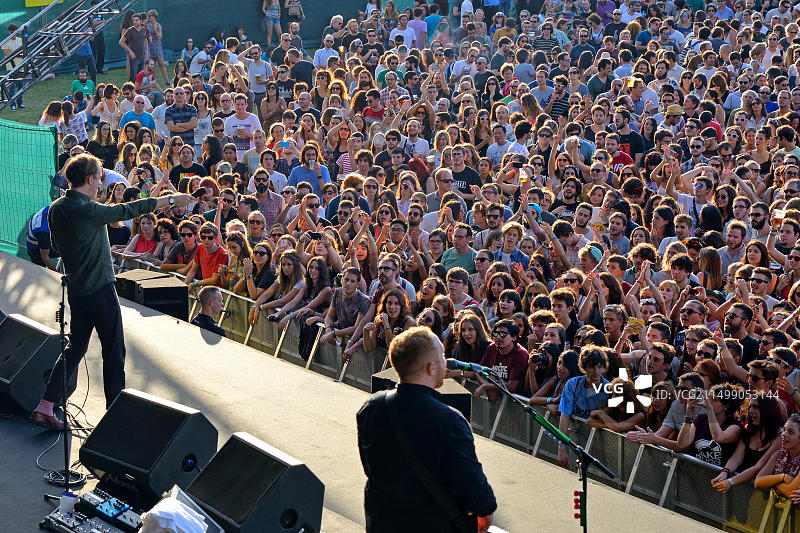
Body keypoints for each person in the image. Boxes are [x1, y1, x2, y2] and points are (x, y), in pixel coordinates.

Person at [30, 154, 191, 429]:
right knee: (114, 351)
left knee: (75, 347)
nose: (102, 180)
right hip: (100, 290)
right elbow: (129, 210)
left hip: (77, 290)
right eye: (99, 176)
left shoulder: (56, 208)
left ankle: (46, 405)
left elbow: (56, 245)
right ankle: (116, 418)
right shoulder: (89, 211)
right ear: (91, 179)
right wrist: (173, 200)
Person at [357, 326, 496, 532]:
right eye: (441, 355)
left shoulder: (371, 407)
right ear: (431, 368)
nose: (446, 361)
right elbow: (477, 493)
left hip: (382, 522)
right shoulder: (449, 421)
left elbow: (370, 467)